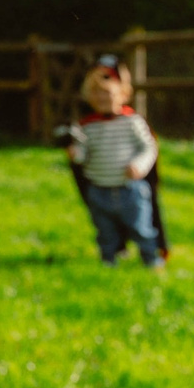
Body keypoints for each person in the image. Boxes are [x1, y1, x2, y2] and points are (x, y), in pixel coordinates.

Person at [68, 64, 166, 268]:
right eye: (96, 93)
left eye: (107, 93)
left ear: (123, 94)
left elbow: (149, 147)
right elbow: (82, 153)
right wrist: (76, 154)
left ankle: (152, 260)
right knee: (106, 232)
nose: (102, 98)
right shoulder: (86, 126)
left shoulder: (132, 121)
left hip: (130, 189)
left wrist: (140, 165)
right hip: (99, 190)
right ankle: (109, 263)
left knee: (141, 228)